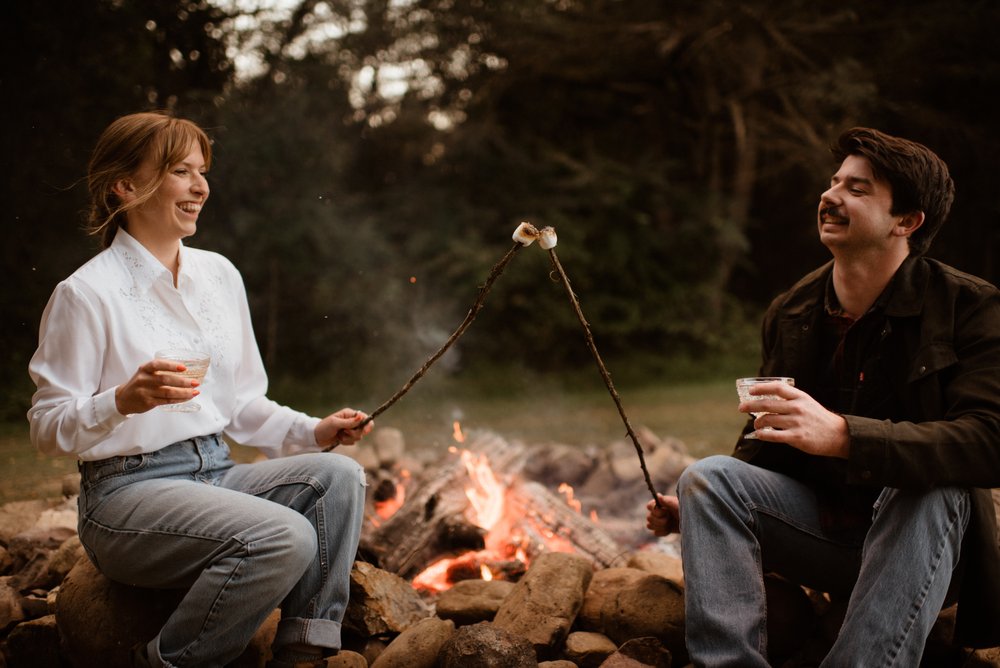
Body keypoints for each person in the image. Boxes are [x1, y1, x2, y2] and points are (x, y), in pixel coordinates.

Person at [28, 111, 373, 668]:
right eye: (180, 171)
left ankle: (304, 648)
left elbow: (237, 403)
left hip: (214, 472)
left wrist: (313, 430)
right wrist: (120, 401)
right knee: (285, 535)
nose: (201, 186)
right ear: (126, 185)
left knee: (337, 476)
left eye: (202, 171)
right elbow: (46, 428)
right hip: (126, 497)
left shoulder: (219, 275)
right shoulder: (86, 294)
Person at [647, 127, 1000, 666]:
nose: (830, 195)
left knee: (929, 488)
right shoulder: (792, 310)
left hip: (926, 549)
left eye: (858, 190)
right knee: (707, 478)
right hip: (826, 536)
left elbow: (988, 442)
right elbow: (767, 436)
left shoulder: (969, 307)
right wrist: (702, 510)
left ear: (906, 222)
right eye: (834, 182)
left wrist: (845, 436)